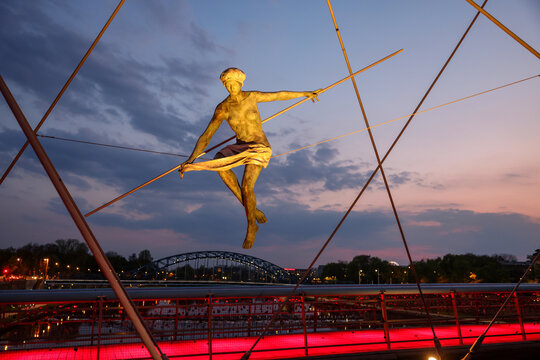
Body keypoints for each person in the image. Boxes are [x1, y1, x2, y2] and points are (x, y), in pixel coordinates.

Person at [180, 68, 320, 249]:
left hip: (258, 147)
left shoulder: (252, 96)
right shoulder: (223, 108)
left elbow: (278, 95)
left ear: (240, 83)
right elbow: (207, 135)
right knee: (219, 164)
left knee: (247, 186)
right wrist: (191, 159)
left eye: (233, 84)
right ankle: (252, 209)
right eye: (227, 84)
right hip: (240, 146)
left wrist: (304, 94)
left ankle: (251, 226)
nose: (230, 87)